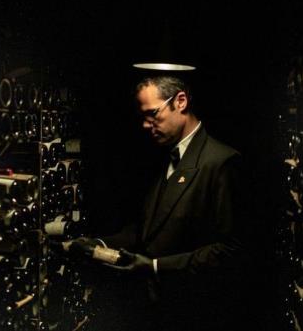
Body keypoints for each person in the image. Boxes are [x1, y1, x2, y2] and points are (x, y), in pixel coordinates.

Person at [71, 75, 262, 331]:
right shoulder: (166, 155)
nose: (145, 125)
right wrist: (101, 244)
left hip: (194, 314)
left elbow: (231, 250)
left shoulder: (221, 162)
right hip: (155, 311)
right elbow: (148, 229)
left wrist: (155, 267)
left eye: (153, 114)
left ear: (180, 102)